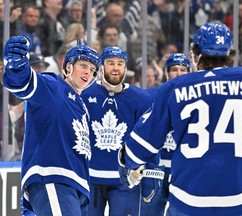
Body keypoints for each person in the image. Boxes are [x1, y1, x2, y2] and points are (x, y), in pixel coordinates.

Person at [119, 23, 242, 216]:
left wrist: (128, 161)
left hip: (188, 201)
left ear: (195, 54)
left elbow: (139, 145)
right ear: (230, 52)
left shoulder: (175, 87)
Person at [2, 35, 101, 215]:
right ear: (68, 67)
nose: (88, 73)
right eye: (84, 66)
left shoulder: (83, 108)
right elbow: (24, 83)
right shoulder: (53, 87)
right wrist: (17, 65)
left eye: (93, 69)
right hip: (53, 179)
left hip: (77, 189)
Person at [81, 46, 159, 216]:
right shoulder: (85, 94)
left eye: (120, 63)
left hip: (126, 181)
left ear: (125, 68)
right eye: (110, 63)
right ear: (101, 67)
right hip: (90, 179)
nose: (115, 68)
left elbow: (151, 137)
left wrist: (151, 177)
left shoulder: (142, 99)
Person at [144, 53, 191, 216]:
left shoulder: (197, 98)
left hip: (184, 169)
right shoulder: (151, 96)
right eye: (174, 70)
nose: (178, 74)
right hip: (156, 168)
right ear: (166, 73)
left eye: (183, 70)